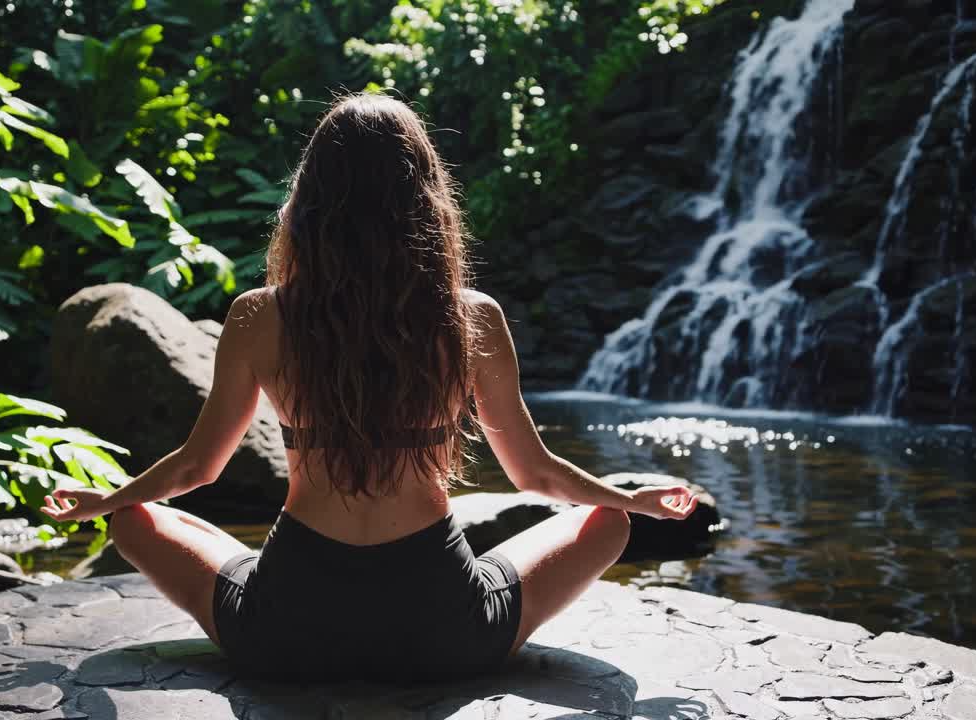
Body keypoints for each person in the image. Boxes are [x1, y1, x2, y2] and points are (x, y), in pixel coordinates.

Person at [39, 92, 697, 681]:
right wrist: (629, 498)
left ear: (310, 202)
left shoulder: (257, 316)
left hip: (284, 632)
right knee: (606, 524)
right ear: (427, 198)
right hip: (443, 633)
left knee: (137, 519)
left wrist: (106, 500)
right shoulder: (471, 317)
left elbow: (196, 467)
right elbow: (535, 476)